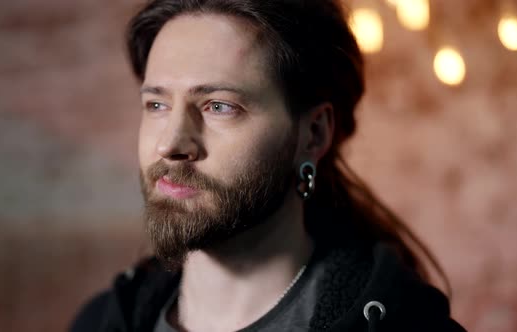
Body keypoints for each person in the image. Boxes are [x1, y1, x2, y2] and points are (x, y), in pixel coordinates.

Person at [71, 0, 466, 331]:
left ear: (312, 135)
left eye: (219, 106)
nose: (170, 143)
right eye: (157, 105)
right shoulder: (101, 321)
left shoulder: (408, 324)